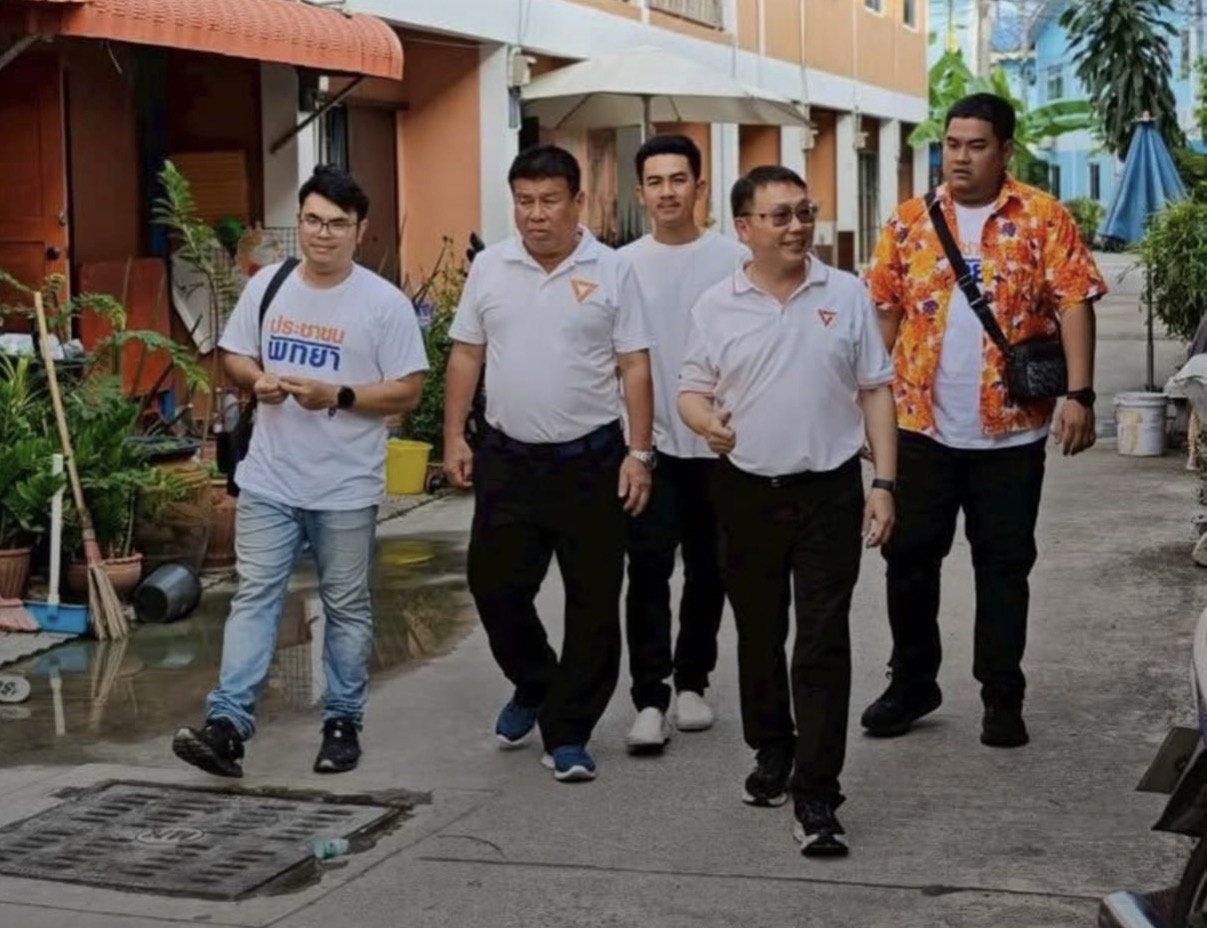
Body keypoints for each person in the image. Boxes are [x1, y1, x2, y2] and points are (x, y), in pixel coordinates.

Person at [862, 92, 1105, 748]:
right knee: (909, 561)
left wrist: (1079, 394)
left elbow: (1074, 301)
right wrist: (867, 407)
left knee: (1003, 566)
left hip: (1011, 434)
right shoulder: (909, 221)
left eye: (976, 145)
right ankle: (912, 683)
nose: (960, 157)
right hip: (921, 429)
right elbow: (884, 313)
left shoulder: (1041, 217)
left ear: (1004, 151)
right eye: (952, 144)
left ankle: (1002, 694)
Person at [172, 166, 429, 777]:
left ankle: (342, 723)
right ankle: (227, 725)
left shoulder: (383, 304)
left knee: (345, 606)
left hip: (345, 486)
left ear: (360, 230)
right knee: (254, 597)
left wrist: (337, 395)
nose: (322, 234)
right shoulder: (270, 284)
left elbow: (409, 390)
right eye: (313, 220)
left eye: (337, 224)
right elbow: (234, 355)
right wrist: (255, 379)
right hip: (269, 479)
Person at [678, 165, 897, 856]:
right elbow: (691, 389)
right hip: (744, 490)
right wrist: (704, 422)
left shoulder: (846, 293)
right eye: (780, 216)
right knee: (759, 631)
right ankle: (772, 746)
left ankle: (817, 793)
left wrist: (884, 483)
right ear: (744, 228)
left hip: (828, 490)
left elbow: (876, 389)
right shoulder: (716, 305)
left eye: (804, 212)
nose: (798, 226)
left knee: (823, 640)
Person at [442, 145, 655, 783]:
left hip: (592, 460)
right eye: (524, 202)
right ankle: (536, 680)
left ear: (577, 202)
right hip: (508, 460)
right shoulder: (491, 268)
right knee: (494, 586)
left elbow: (635, 366)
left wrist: (639, 453)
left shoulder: (613, 269)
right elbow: (466, 355)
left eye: (549, 201)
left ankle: (569, 732)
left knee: (594, 602)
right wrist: (454, 436)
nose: (536, 215)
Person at [619, 134, 748, 753]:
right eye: (655, 181)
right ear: (639, 192)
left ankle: (692, 681)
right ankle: (650, 697)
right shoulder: (622, 264)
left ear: (700, 187)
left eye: (678, 180)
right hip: (650, 448)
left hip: (721, 446)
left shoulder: (734, 259)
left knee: (710, 569)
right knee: (646, 570)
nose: (667, 192)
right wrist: (632, 445)